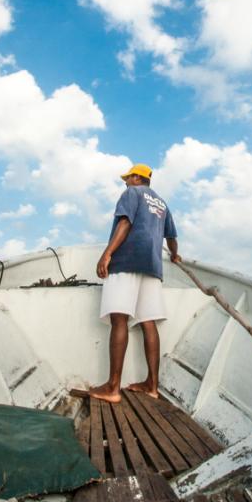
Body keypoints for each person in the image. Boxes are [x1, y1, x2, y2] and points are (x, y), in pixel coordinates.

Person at [89, 163, 180, 403]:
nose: (125, 182)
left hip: (127, 260)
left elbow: (125, 223)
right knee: (148, 323)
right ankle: (152, 385)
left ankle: (113, 388)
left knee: (119, 318)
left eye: (128, 178)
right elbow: (171, 237)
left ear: (138, 178)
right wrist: (174, 255)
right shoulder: (162, 204)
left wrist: (107, 254)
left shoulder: (132, 193)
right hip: (151, 267)